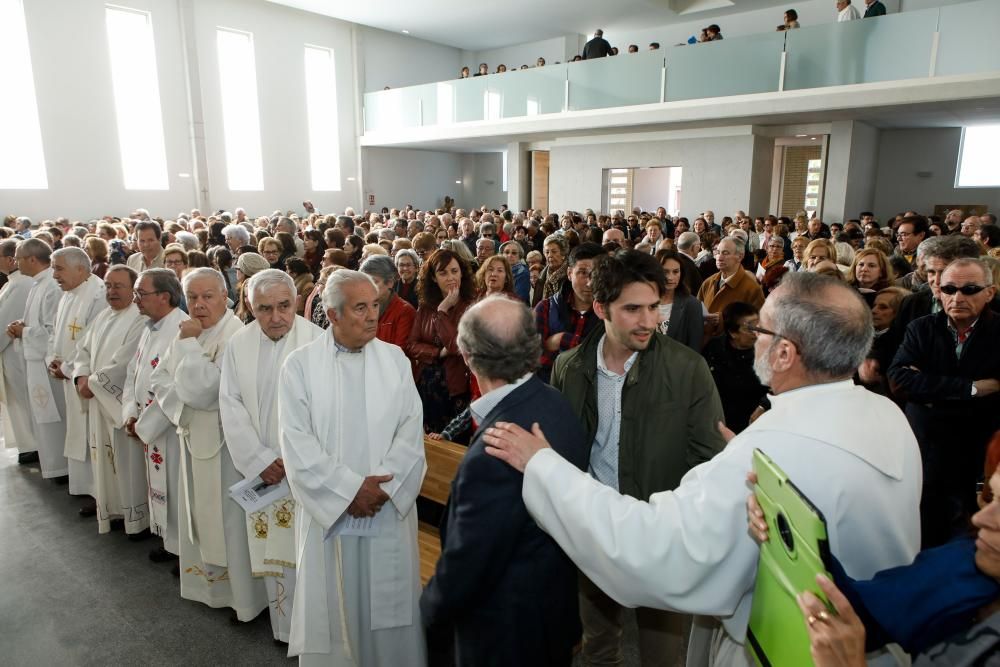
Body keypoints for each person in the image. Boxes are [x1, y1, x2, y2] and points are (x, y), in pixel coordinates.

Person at [483, 272, 922, 667]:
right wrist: (747, 454)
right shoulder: (885, 415)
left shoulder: (771, 446)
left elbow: (652, 546)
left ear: (786, 353)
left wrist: (541, 465)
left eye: (761, 329)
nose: (754, 338)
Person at [549, 250, 727, 667]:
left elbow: (707, 461)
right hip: (595, 528)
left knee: (662, 656)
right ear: (600, 308)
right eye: (632, 309)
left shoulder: (688, 369)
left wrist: (676, 527)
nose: (648, 321)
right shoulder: (568, 368)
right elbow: (564, 453)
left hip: (660, 533)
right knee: (597, 649)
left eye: (652, 307)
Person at [421, 296, 587, 666]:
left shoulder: (495, 451)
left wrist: (427, 613)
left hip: (503, 633)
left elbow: (469, 564)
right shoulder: (555, 404)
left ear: (465, 355)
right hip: (551, 612)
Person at [278, 269, 427, 666]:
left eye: (375, 305)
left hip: (386, 508)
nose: (372, 315)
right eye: (360, 307)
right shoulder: (300, 366)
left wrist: (379, 491)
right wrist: (349, 491)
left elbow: (410, 434)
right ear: (333, 313)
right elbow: (297, 442)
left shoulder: (394, 360)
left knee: (390, 611)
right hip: (334, 516)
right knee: (334, 612)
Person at [150, 267, 267, 620]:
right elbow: (160, 377)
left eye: (208, 296)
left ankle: (242, 599)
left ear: (225, 296)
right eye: (193, 297)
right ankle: (208, 587)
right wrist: (183, 411)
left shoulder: (236, 335)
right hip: (193, 435)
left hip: (225, 446)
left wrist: (187, 350)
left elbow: (207, 390)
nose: (199, 305)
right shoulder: (188, 331)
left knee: (228, 522)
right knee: (199, 515)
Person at [220, 269, 323, 643]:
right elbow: (229, 404)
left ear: (297, 300)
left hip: (303, 473)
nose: (277, 316)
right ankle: (283, 628)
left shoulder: (317, 341)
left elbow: (327, 413)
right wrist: (259, 459)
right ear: (250, 306)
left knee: (306, 554)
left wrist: (293, 460)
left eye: (284, 305)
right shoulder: (239, 344)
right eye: (265, 309)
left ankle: (311, 631)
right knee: (271, 552)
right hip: (262, 471)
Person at [889, 258, 1000, 548]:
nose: (957, 297)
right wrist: (971, 388)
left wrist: (928, 386)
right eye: (949, 289)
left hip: (977, 448)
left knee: (970, 534)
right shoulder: (921, 328)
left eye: (969, 289)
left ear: (990, 292)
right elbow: (899, 380)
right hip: (926, 446)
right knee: (923, 528)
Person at [72, 265, 148, 536]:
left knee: (127, 464)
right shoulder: (104, 316)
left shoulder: (139, 318)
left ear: (133, 289)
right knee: (104, 461)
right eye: (107, 285)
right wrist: (80, 375)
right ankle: (112, 509)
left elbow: (124, 363)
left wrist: (92, 383)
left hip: (115, 403)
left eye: (118, 286)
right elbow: (83, 349)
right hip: (97, 401)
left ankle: (137, 518)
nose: (112, 291)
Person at [126, 268, 188, 566]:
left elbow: (175, 389)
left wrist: (144, 426)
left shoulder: (182, 330)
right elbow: (133, 372)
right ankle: (167, 539)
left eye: (141, 293)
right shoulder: (149, 326)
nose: (135, 299)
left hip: (170, 429)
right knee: (159, 486)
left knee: (176, 488)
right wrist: (130, 413)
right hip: (147, 426)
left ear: (164, 296)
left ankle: (181, 550)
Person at [48, 247, 109, 508]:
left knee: (91, 436)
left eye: (59, 268)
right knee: (77, 432)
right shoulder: (68, 294)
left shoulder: (98, 295)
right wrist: (53, 358)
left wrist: (69, 368)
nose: (54, 275)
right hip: (68, 372)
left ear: (81, 269)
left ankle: (100, 493)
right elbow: (56, 330)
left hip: (84, 377)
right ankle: (84, 487)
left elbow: (90, 341)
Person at [9, 239, 68, 483]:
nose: (16, 262)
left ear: (32, 259)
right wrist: (21, 327)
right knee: (44, 416)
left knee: (55, 415)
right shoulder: (37, 284)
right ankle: (53, 463)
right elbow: (35, 322)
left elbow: (51, 331)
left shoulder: (51, 286)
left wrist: (24, 332)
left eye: (19, 258)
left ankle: (62, 467)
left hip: (47, 365)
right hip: (35, 364)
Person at [405, 249, 475, 433]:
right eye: (443, 273)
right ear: (434, 278)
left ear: (462, 272)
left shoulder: (472, 306)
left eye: (454, 271)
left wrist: (443, 311)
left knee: (451, 442)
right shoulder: (426, 306)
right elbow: (411, 345)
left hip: (457, 386)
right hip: (427, 384)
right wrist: (438, 352)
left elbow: (456, 346)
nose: (450, 277)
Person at [533, 243, 605, 384]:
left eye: (597, 274)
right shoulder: (546, 309)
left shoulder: (611, 312)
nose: (590, 282)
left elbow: (610, 361)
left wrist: (562, 340)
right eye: (583, 273)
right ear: (569, 273)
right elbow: (532, 361)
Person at [0, 239, 40, 464]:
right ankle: (28, 443)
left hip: (16, 353)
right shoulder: (11, 282)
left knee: (24, 399)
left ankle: (34, 444)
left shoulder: (21, 284)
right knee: (17, 400)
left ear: (9, 259)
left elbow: (5, 323)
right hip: (11, 353)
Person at [702, 302, 768, 433]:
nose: (757, 333)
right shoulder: (713, 350)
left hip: (755, 425)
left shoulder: (768, 351)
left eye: (759, 326)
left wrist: (764, 406)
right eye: (750, 329)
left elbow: (781, 386)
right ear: (733, 332)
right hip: (719, 425)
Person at [697, 237, 765, 339]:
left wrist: (722, 320)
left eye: (725, 253)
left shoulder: (752, 288)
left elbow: (758, 324)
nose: (719, 257)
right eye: (718, 252)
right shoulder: (708, 282)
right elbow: (697, 309)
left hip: (733, 348)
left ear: (740, 256)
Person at [361, 255, 415, 350]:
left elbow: (399, 352)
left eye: (374, 282)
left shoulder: (404, 311)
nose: (367, 287)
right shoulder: (361, 308)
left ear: (390, 283)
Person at [655, 248, 703, 351]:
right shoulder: (643, 301)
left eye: (675, 272)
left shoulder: (692, 304)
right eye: (665, 272)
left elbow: (694, 350)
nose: (670, 277)